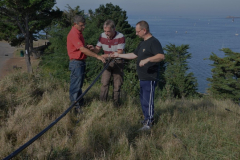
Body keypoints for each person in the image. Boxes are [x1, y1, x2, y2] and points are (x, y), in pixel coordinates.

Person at [111, 20, 165, 130]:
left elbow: (161, 56)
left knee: (148, 100)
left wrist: (148, 59)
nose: (136, 33)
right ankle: (146, 118)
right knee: (143, 100)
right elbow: (133, 55)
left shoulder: (154, 42)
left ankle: (149, 123)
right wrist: (118, 55)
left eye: (137, 31)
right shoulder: (142, 43)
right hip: (142, 77)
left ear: (144, 30)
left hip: (150, 77)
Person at [67, 15, 105, 113]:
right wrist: (97, 56)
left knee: (79, 85)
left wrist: (87, 48)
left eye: (84, 25)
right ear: (75, 24)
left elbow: (81, 48)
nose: (83, 27)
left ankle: (80, 104)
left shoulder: (79, 32)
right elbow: (82, 49)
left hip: (79, 62)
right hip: (76, 63)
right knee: (75, 86)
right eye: (81, 25)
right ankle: (75, 108)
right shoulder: (74, 34)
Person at [87, 19, 125, 107]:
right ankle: (102, 103)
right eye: (105, 31)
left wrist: (106, 55)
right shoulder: (102, 36)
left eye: (108, 31)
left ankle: (115, 104)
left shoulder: (120, 36)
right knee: (104, 83)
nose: (106, 33)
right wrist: (92, 48)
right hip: (106, 61)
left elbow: (119, 52)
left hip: (118, 61)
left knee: (117, 84)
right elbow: (97, 49)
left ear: (114, 29)